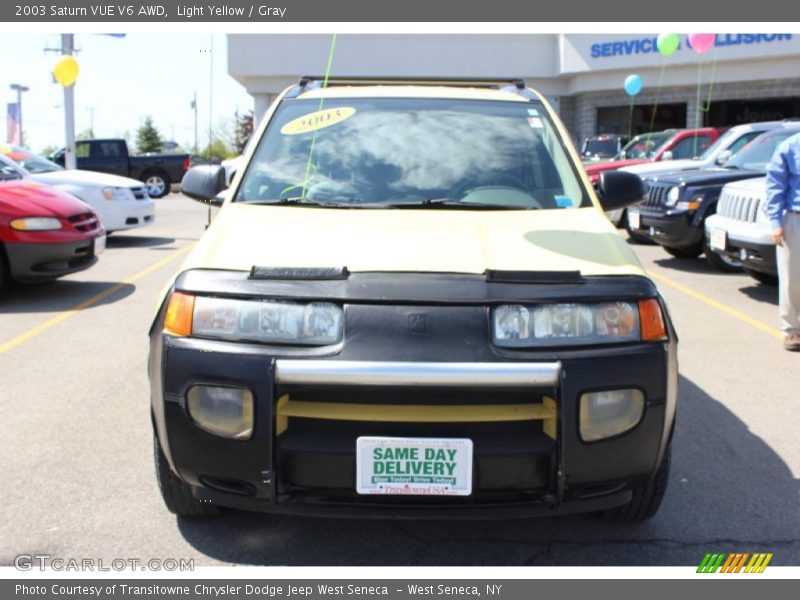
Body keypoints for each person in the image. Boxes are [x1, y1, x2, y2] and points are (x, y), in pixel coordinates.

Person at [765, 131, 800, 351]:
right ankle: (791, 330)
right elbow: (775, 186)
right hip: (794, 219)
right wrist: (776, 222)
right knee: (792, 278)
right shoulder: (789, 147)